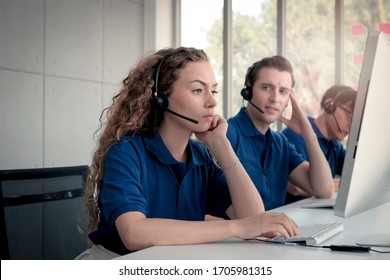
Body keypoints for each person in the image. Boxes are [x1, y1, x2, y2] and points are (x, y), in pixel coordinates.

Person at [77, 47, 298, 259]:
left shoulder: (202, 156)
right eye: (198, 90)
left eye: (213, 90)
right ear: (161, 97)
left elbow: (253, 218)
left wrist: (222, 146)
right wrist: (235, 227)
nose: (212, 102)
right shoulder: (126, 152)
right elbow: (134, 233)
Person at [226, 55, 334, 211]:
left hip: (277, 233)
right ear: (248, 90)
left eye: (283, 91)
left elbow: (324, 190)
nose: (275, 98)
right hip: (239, 233)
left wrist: (308, 135)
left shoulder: (280, 143)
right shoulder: (227, 135)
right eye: (266, 88)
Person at [281, 85, 357, 204]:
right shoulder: (294, 134)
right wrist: (346, 183)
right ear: (329, 106)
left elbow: (357, 174)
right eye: (350, 115)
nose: (352, 125)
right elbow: (297, 187)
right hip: (295, 213)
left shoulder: (335, 145)